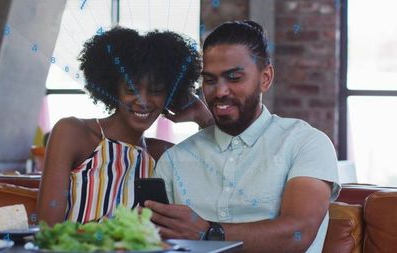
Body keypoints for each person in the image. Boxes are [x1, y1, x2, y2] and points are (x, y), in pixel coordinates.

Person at [146, 21, 341, 253]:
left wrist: (209, 233)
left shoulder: (305, 143)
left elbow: (297, 233)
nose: (220, 91)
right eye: (210, 80)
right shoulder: (174, 160)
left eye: (234, 78)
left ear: (265, 78)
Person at [37, 27, 213, 226]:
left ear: (170, 95)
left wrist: (203, 116)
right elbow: (46, 227)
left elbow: (222, 177)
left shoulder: (162, 153)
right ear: (113, 88)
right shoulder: (73, 133)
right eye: (131, 89)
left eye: (155, 91)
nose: (143, 101)